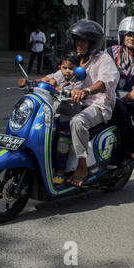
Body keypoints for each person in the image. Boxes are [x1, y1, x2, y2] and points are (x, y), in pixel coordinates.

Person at [65, 19, 120, 187]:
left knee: (77, 122)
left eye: (83, 40)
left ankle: (82, 167)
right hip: (75, 104)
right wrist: (37, 81)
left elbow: (105, 82)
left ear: (92, 42)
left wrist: (86, 91)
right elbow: (58, 75)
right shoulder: (76, 60)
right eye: (76, 40)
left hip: (97, 105)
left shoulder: (103, 59)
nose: (78, 43)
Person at [107, 16, 134, 172]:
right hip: (110, 96)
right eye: (129, 35)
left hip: (130, 97)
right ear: (122, 36)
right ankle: (129, 149)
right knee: (121, 112)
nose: (131, 38)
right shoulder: (110, 53)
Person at [44, 52, 84, 185]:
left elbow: (73, 96)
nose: (67, 71)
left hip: (69, 118)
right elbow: (46, 79)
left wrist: (56, 88)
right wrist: (31, 82)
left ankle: (60, 171)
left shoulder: (79, 81)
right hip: (54, 116)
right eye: (64, 68)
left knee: (62, 142)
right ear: (60, 67)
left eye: (71, 68)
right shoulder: (58, 75)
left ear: (77, 69)